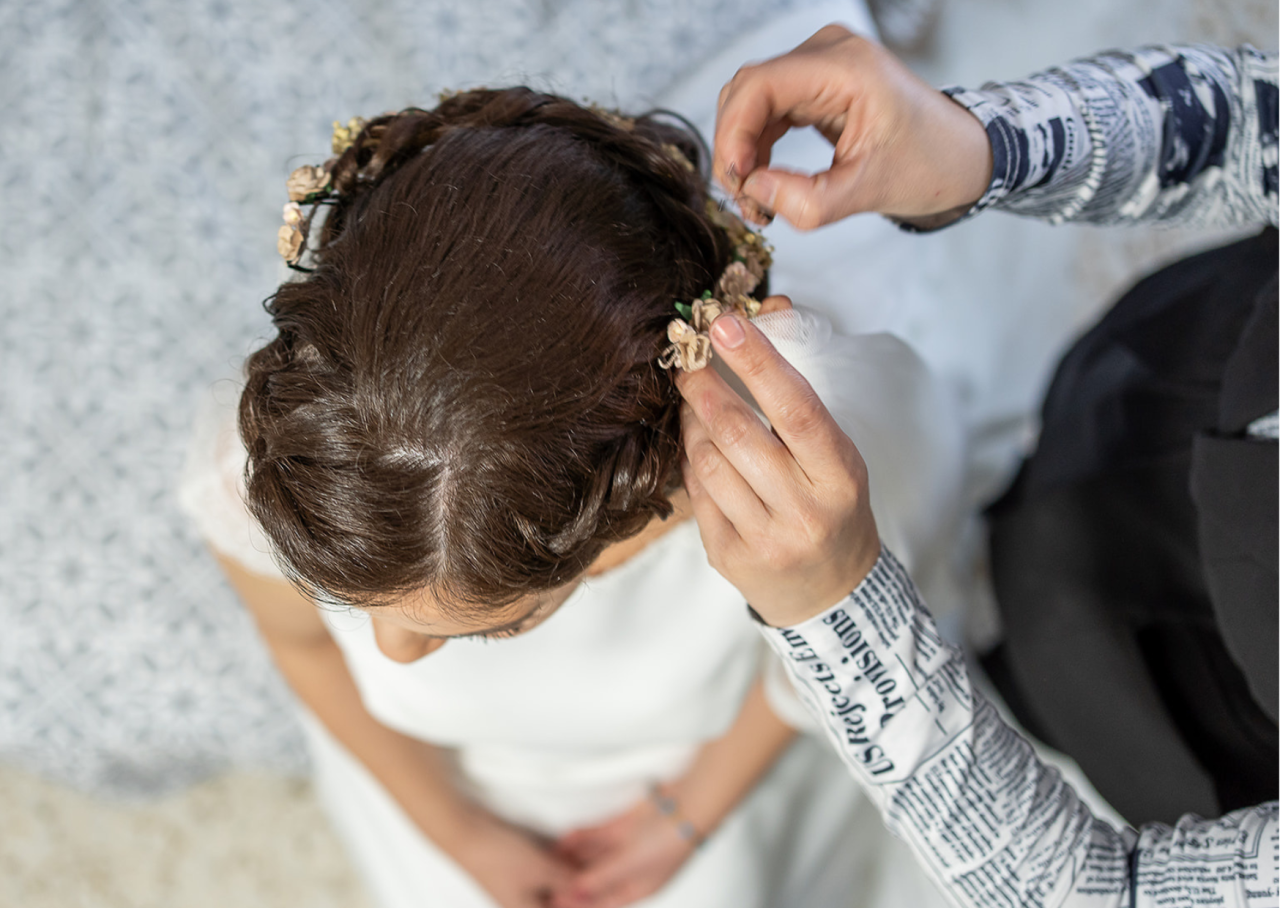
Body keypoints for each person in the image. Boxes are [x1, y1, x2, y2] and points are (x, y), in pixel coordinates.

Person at [181, 87, 967, 908]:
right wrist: (458, 834)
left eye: (501, 624)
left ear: (620, 508)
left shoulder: (809, 474)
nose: (390, 654)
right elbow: (304, 647)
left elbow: (861, 646)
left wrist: (687, 817)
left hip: (707, 787)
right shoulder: (291, 456)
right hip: (434, 794)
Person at [676, 24, 1277, 906]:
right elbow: (1248, 127)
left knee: (1050, 669)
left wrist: (839, 616)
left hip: (1180, 679)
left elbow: (1103, 891)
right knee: (1081, 420)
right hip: (1192, 360)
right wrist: (984, 145)